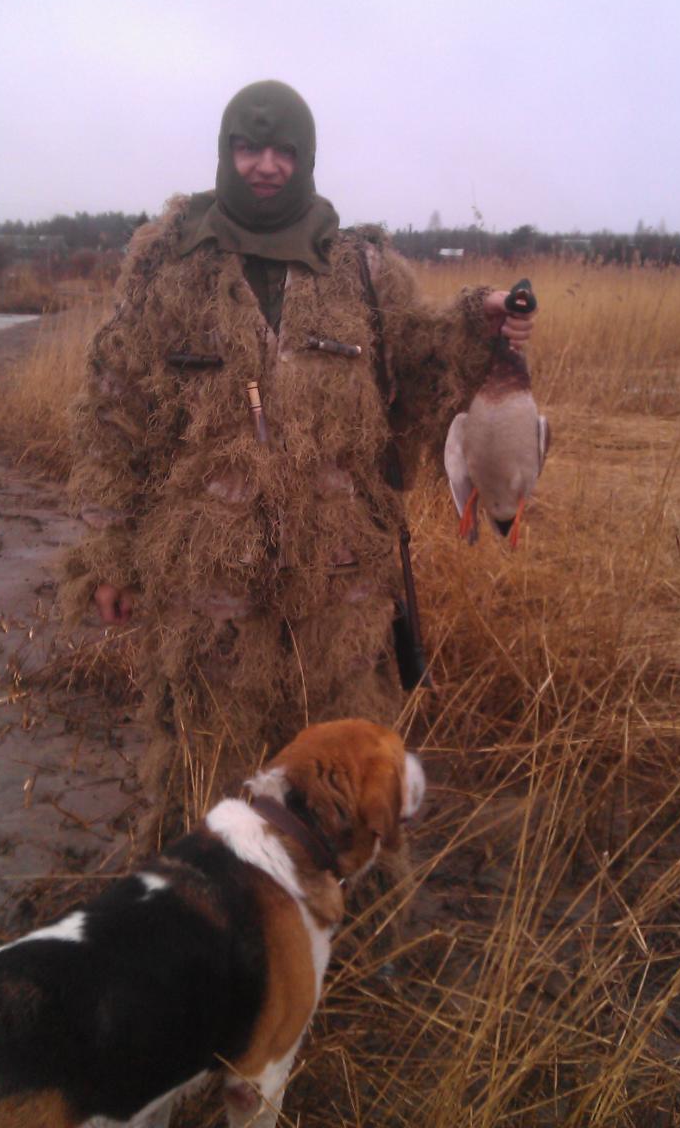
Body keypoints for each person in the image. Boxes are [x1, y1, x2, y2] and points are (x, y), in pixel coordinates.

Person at [62, 80, 535, 843]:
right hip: (205, 585)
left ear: (305, 158)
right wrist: (109, 555)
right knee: (205, 770)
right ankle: (209, 905)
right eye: (249, 148)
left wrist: (471, 327)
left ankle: (343, 907)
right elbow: (114, 413)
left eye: (283, 150)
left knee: (343, 775)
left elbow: (417, 378)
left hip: (341, 584)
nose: (266, 165)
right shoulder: (168, 265)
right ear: (226, 152)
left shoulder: (362, 269)